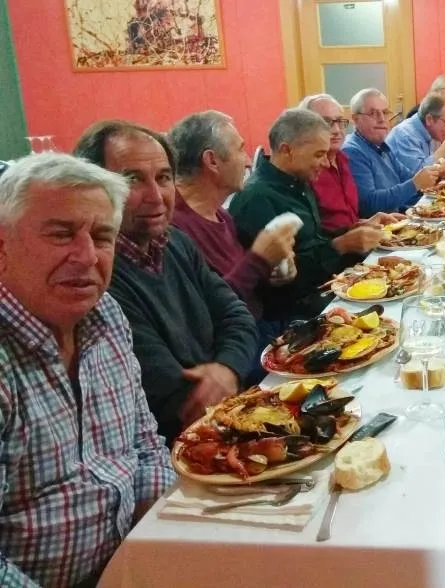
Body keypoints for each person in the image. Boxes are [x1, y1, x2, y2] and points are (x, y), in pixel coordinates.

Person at [0, 152, 175, 586]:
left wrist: (158, 541)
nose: (86, 256)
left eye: (101, 236)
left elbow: (145, 443)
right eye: (61, 234)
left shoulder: (106, 315)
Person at [74, 121, 258, 443]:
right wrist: (226, 373)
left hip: (229, 409)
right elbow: (172, 392)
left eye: (163, 177)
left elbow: (237, 314)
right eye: (132, 180)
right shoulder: (96, 273)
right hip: (176, 444)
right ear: (93, 189)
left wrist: (226, 369)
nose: (156, 196)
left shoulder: (176, 242)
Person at [229, 108, 384, 322]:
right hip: (294, 313)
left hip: (326, 288)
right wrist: (340, 246)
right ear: (287, 150)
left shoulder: (298, 181)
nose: (326, 163)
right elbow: (281, 283)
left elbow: (312, 239)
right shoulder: (256, 199)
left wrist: (352, 230)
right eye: (319, 155)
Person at [168, 110, 298, 319]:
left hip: (258, 323)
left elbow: (242, 279)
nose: (248, 162)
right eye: (240, 150)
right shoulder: (174, 230)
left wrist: (274, 270)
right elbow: (205, 312)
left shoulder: (220, 214)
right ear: (212, 161)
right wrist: (258, 260)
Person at [342, 88, 439, 216]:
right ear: (355, 119)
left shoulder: (381, 145)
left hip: (398, 216)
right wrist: (415, 184)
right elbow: (369, 204)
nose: (382, 119)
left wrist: (434, 178)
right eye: (373, 113)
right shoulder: (352, 151)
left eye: (385, 112)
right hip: (380, 225)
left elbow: (408, 176)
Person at [298, 93, 361, 232]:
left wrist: (369, 223)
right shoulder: (306, 169)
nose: (336, 130)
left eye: (340, 121)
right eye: (326, 123)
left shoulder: (343, 158)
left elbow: (348, 219)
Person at [386, 92, 445, 173]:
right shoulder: (405, 135)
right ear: (429, 119)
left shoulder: (432, 130)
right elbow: (419, 176)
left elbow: (442, 159)